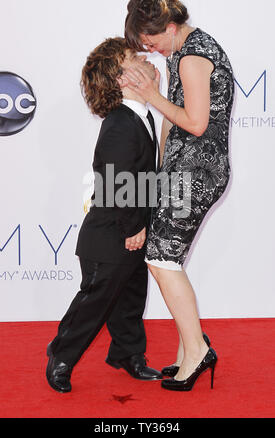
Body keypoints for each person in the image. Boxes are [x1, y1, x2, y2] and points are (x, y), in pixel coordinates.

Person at [124, 0, 234, 391]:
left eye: (150, 40)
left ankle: (197, 351)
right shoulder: (179, 52)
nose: (148, 48)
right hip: (180, 170)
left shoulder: (193, 55)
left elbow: (197, 122)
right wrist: (157, 173)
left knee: (163, 260)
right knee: (162, 258)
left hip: (198, 172)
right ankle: (191, 348)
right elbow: (173, 122)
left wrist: (151, 96)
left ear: (170, 28)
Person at [46, 37, 162, 393]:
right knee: (95, 302)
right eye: (133, 57)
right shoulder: (120, 124)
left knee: (129, 297)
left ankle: (127, 354)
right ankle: (61, 355)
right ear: (122, 78)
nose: (143, 58)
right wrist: (133, 227)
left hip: (128, 229)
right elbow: (114, 181)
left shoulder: (140, 116)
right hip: (111, 234)